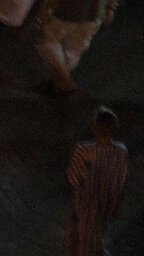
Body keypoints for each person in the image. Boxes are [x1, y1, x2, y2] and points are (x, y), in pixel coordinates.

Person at [65, 108, 129, 256]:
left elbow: (73, 178)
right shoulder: (121, 151)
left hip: (86, 203)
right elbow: (122, 179)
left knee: (83, 242)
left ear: (94, 128)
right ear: (115, 128)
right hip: (107, 203)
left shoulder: (84, 150)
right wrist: (118, 204)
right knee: (96, 237)